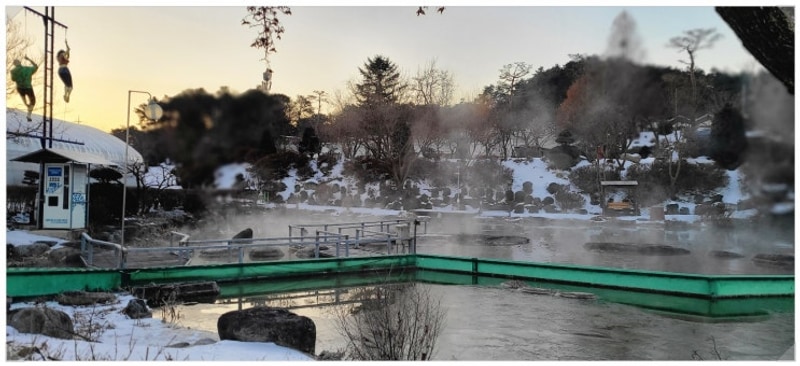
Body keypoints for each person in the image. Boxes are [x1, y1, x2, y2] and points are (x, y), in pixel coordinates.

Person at [10, 56, 38, 121]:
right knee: (33, 101)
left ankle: (26, 104)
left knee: (23, 97)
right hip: (28, 87)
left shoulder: (13, 71)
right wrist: (29, 59)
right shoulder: (27, 69)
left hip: (20, 88)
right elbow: (36, 66)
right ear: (20, 63)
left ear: (14, 64)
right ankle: (29, 115)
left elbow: (13, 79)